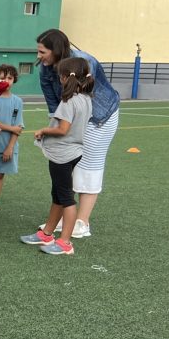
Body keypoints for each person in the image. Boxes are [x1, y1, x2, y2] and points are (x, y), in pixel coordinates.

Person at [36, 28, 120, 238]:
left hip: (99, 116)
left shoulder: (82, 62)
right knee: (68, 165)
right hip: (72, 117)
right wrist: (56, 128)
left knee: (88, 164)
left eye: (42, 51)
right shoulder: (46, 69)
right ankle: (67, 217)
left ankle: (81, 222)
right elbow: (53, 104)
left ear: (56, 50)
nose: (39, 56)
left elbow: (87, 98)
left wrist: (57, 129)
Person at [22, 57, 94, 255]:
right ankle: (47, 233)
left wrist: (44, 130)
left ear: (63, 77)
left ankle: (65, 243)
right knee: (58, 194)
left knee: (66, 197)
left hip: (63, 153)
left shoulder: (68, 101)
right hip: (74, 152)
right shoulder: (86, 99)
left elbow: (62, 129)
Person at [0, 65, 25, 218]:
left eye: (9, 78)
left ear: (14, 80)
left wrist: (10, 147)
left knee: (0, 175)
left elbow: (18, 127)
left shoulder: (17, 101)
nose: (6, 81)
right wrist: (12, 128)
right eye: (2, 78)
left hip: (6, 146)